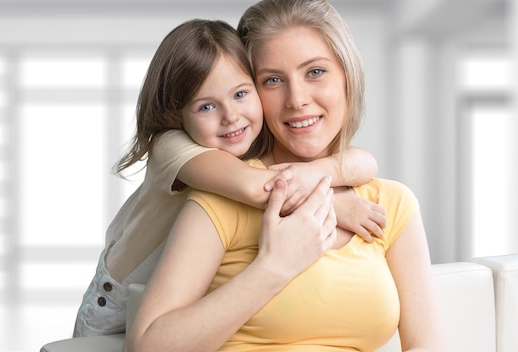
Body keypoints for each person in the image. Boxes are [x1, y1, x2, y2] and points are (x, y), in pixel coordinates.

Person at [125, 0, 445, 351]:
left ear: (347, 76)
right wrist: (275, 267)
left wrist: (317, 182)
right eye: (273, 80)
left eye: (315, 72)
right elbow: (146, 347)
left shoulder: (392, 204)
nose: (297, 99)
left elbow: (427, 345)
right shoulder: (224, 192)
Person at [73, 18, 386, 338]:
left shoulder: (242, 146)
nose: (231, 117)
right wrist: (334, 202)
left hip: (180, 300)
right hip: (114, 306)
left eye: (240, 94)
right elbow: (259, 187)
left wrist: (317, 171)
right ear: (175, 113)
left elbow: (365, 163)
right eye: (206, 106)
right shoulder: (172, 146)